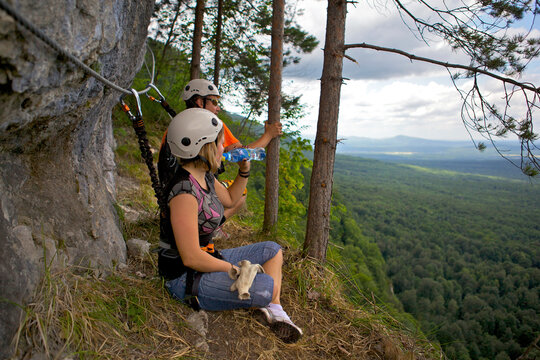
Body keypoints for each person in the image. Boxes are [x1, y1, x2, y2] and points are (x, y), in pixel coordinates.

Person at [157, 108, 303, 343]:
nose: (224, 149)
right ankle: (268, 301)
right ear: (203, 146)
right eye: (220, 143)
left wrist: (244, 172)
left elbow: (232, 200)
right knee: (266, 286)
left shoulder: (204, 176)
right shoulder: (183, 191)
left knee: (273, 250)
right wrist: (232, 270)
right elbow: (191, 258)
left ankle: (274, 310)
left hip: (208, 257)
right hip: (184, 278)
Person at [158, 79, 282, 220]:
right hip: (193, 191)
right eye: (215, 102)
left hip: (169, 193)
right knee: (241, 192)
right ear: (199, 101)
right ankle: (215, 226)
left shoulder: (177, 125)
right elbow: (241, 152)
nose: (218, 108)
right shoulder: (212, 125)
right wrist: (268, 135)